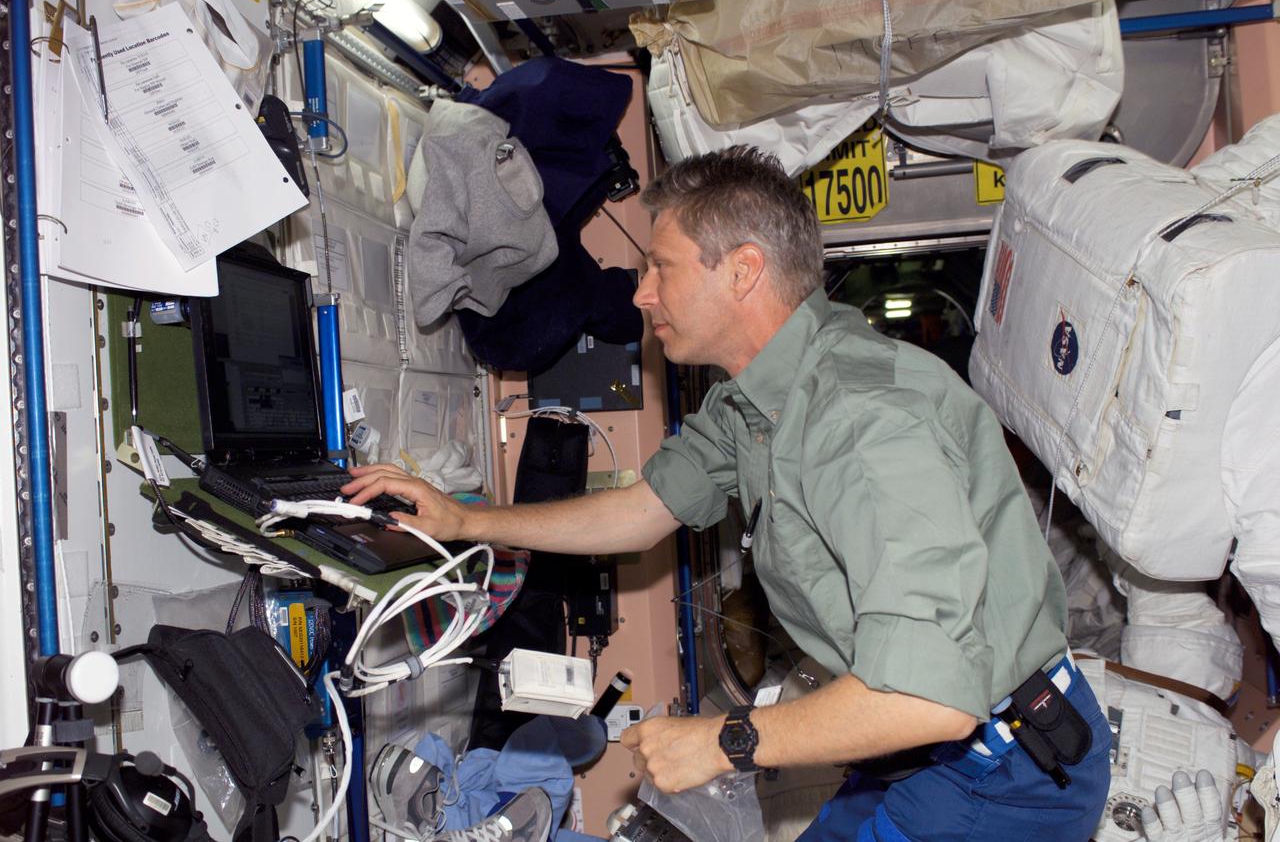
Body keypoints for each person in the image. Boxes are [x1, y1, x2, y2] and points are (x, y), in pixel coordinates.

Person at [342, 146, 1112, 841]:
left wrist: (725, 739)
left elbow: (931, 696)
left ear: (742, 270)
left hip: (1003, 775)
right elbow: (643, 509)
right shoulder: (757, 398)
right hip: (925, 752)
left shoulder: (861, 420)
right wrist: (466, 519)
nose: (641, 294)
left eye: (661, 267)